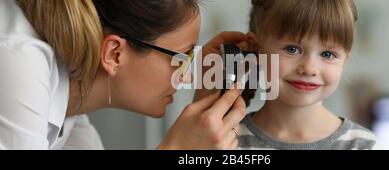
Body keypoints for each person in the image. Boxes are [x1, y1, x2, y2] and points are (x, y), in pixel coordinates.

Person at [0, 0, 246, 150]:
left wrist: (203, 114)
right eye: (180, 58)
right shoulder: (18, 62)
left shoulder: (70, 112)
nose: (185, 77)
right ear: (114, 54)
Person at [235, 0, 380, 150]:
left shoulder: (363, 145)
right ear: (256, 49)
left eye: (327, 54)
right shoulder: (225, 141)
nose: (309, 68)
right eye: (292, 49)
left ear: (344, 62)